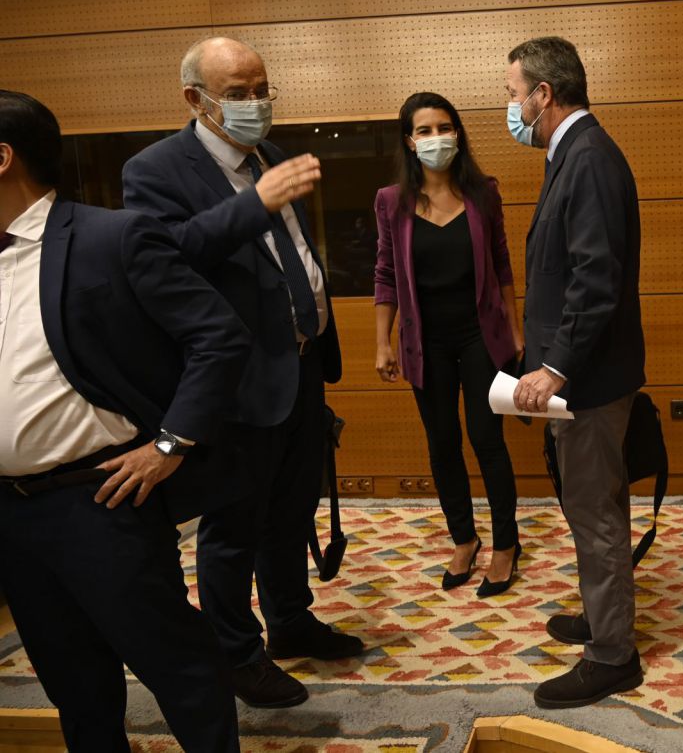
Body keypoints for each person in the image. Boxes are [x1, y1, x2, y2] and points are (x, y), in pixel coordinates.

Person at [0, 90, 248, 751]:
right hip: (11, 512)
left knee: (175, 662)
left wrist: (170, 441)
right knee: (71, 680)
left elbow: (218, 337)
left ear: (2, 158)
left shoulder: (112, 235)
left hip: (100, 496)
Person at [122, 36, 363, 710]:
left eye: (262, 88)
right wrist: (253, 202)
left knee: (292, 509)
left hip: (301, 363)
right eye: (238, 92)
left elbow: (288, 252)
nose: (256, 103)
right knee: (232, 527)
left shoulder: (271, 154)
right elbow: (163, 258)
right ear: (194, 99)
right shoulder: (154, 169)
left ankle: (289, 618)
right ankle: (236, 653)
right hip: (236, 380)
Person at [505, 37, 647, 708]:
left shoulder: (586, 158)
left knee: (595, 514)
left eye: (514, 95)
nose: (511, 108)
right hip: (586, 375)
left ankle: (613, 654)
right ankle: (603, 615)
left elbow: (595, 278)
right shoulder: (576, 155)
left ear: (544, 94)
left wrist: (555, 367)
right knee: (594, 506)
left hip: (586, 380)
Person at [372, 91, 522, 596]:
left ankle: (506, 545)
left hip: (479, 335)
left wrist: (516, 331)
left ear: (457, 133)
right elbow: (386, 274)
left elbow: (501, 265)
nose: (437, 138)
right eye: (425, 131)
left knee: (487, 439)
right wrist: (382, 342)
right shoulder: (391, 202)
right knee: (442, 444)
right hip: (424, 341)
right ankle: (464, 539)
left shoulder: (484, 192)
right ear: (410, 142)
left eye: (444, 127)